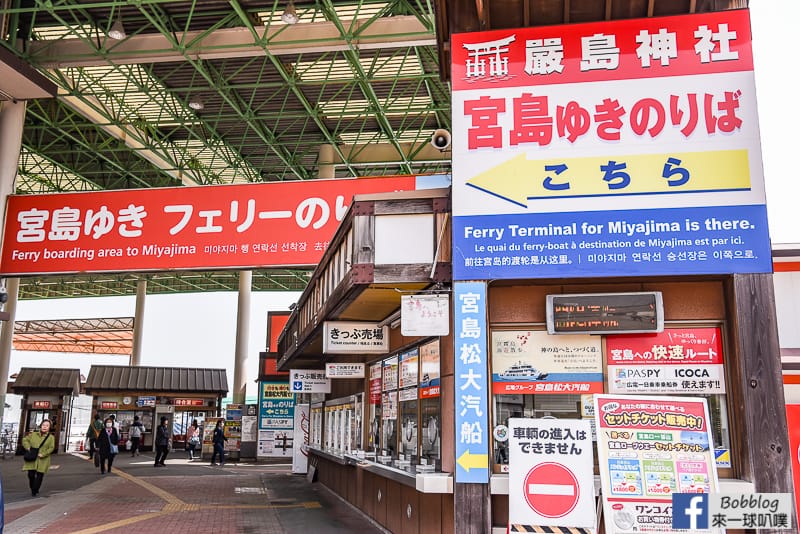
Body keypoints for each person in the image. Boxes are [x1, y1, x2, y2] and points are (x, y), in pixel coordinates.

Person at [22, 419, 55, 497]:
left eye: (47, 426)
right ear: (40, 426)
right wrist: (28, 447)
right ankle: (33, 488)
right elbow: (25, 440)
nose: (45, 427)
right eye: (43, 425)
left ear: (49, 427)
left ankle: (35, 490)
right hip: (32, 457)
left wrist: (43, 454)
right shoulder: (33, 434)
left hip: (43, 459)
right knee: (31, 474)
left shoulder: (51, 437)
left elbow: (51, 448)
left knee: (40, 475)